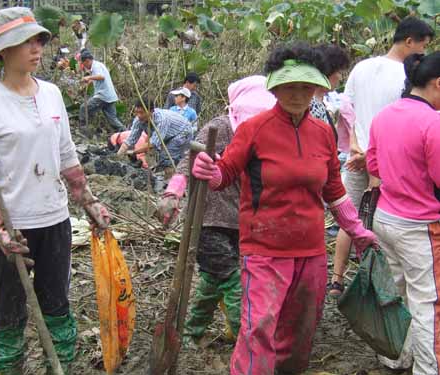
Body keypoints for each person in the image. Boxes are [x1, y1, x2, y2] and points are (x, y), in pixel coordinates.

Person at [191, 43, 377, 374]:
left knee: (300, 330)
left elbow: (333, 189)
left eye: (305, 86)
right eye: (289, 86)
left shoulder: (322, 132)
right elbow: (226, 173)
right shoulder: (254, 129)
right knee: (258, 327)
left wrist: (357, 230)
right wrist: (211, 171)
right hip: (264, 249)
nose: (296, 94)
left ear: (317, 88)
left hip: (310, 251)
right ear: (275, 87)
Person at [0, 7, 110, 375]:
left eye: (37, 41)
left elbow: (66, 156)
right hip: (12, 230)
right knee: (10, 315)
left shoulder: (50, 95)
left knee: (57, 307)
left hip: (54, 221)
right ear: (2, 51)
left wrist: (89, 201)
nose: (35, 49)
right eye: (24, 42)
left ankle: (57, 367)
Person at [157, 75, 276, 346]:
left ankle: (191, 333)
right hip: (209, 221)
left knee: (213, 280)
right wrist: (172, 193)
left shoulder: (268, 132)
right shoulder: (220, 128)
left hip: (242, 221)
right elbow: (189, 161)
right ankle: (249, 343)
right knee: (235, 283)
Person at [330, 17, 434, 301]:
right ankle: (377, 285)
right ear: (409, 41)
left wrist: (353, 146)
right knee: (379, 223)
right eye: (423, 46)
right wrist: (369, 154)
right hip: (385, 158)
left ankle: (337, 280)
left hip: (357, 154)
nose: (423, 53)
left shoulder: (362, 67)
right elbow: (400, 119)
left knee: (349, 219)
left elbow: (346, 110)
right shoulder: (409, 75)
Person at [367, 52, 440, 375]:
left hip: (385, 217)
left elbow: (373, 165)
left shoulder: (385, 116)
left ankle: (396, 356)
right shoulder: (433, 122)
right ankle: (428, 368)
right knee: (429, 302)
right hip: (420, 225)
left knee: (397, 291)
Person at [117, 98, 193, 178]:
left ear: (151, 111)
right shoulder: (138, 120)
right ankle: (172, 178)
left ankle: (170, 182)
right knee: (167, 158)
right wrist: (119, 155)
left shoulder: (161, 119)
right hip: (168, 135)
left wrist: (134, 152)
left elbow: (153, 144)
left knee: (166, 157)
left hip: (183, 132)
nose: (139, 115)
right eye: (136, 112)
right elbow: (130, 140)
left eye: (142, 113)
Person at [309, 43, 350, 141]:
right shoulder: (312, 105)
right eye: (339, 72)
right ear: (327, 71)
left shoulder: (318, 102)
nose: (340, 78)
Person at [79, 50, 125, 135]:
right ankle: (126, 133)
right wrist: (88, 82)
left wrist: (88, 77)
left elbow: (101, 76)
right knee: (113, 119)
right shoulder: (98, 65)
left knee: (84, 108)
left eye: (84, 64)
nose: (84, 66)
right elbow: (98, 78)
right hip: (109, 96)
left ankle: (84, 131)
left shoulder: (96, 66)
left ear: (87, 61)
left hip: (103, 95)